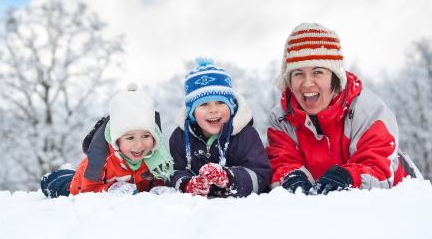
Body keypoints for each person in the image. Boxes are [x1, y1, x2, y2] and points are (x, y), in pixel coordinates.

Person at [267, 22, 422, 195]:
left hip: (399, 200)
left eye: (318, 72)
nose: (307, 83)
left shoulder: (368, 111)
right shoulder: (281, 119)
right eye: (298, 74)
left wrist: (348, 176)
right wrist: (291, 177)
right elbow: (282, 162)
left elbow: (378, 166)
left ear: (335, 76)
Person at [40, 83, 174, 198]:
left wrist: (157, 188)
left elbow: (160, 178)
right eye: (130, 137)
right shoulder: (101, 159)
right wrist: (110, 189)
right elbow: (85, 192)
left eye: (146, 136)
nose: (139, 144)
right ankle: (60, 174)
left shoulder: (157, 155)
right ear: (117, 140)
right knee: (55, 184)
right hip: (76, 186)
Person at [167, 58, 271, 197]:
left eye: (220, 102)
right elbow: (173, 172)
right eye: (204, 104)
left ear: (231, 106)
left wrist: (229, 177)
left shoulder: (245, 135)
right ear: (192, 112)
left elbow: (260, 175)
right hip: (195, 213)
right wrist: (187, 184)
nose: (213, 110)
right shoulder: (179, 137)